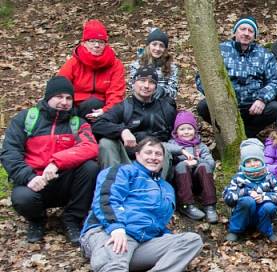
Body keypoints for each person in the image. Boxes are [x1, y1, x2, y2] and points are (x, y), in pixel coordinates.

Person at [80, 137, 203, 272]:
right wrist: (115, 226)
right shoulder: (123, 172)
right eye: (149, 152)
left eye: (158, 154)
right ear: (137, 154)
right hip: (110, 232)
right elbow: (106, 198)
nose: (153, 157)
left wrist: (166, 238)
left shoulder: (166, 187)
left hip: (143, 241)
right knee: (116, 267)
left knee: (191, 240)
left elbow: (157, 223)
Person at [1, 77, 99, 244]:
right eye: (59, 97)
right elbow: (10, 153)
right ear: (48, 97)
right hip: (35, 181)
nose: (64, 102)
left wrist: (56, 163)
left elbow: (90, 147)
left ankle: (72, 219)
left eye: (69, 98)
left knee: (90, 168)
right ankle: (37, 220)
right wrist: (29, 177)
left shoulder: (77, 123)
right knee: (22, 198)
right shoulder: (26, 119)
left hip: (65, 180)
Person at [195, 16, 277, 138]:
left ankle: (245, 135)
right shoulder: (219, 50)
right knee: (203, 106)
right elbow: (202, 78)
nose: (246, 33)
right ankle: (229, 133)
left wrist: (262, 99)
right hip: (225, 106)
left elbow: (276, 80)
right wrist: (219, 98)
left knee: (275, 108)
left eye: (250, 31)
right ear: (235, 31)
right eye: (243, 29)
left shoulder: (264, 55)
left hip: (253, 107)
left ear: (255, 36)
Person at [93, 66, 177, 179]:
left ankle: (155, 190)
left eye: (151, 82)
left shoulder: (167, 109)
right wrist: (122, 131)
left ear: (156, 87)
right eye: (142, 80)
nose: (146, 86)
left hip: (156, 158)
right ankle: (113, 186)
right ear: (134, 83)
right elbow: (98, 125)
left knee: (162, 148)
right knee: (106, 143)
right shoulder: (123, 107)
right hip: (126, 157)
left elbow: (180, 133)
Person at [58, 19, 125, 121]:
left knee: (96, 104)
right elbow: (59, 87)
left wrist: (105, 111)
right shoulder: (73, 63)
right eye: (92, 41)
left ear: (105, 44)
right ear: (84, 43)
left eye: (101, 42)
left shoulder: (115, 65)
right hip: (74, 107)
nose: (97, 45)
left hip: (102, 109)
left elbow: (116, 94)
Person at [222, 139, 277, 243]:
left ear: (261, 161)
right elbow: (228, 198)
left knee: (269, 206)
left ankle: (267, 231)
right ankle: (235, 231)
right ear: (243, 163)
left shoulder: (270, 177)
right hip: (243, 214)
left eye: (255, 160)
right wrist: (246, 192)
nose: (252, 164)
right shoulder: (239, 177)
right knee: (247, 201)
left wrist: (263, 197)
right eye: (248, 161)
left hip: (262, 215)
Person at [165, 111, 217, 223]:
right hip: (180, 182)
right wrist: (182, 156)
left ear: (195, 130)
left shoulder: (200, 146)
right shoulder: (172, 144)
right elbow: (162, 147)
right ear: (176, 131)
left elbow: (211, 163)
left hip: (198, 182)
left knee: (204, 165)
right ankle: (186, 205)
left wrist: (196, 161)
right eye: (182, 129)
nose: (186, 132)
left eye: (189, 129)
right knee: (182, 165)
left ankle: (210, 206)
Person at [127, 28, 179, 102]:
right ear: (148, 46)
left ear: (165, 49)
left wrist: (163, 91)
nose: (157, 48)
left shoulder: (172, 67)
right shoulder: (136, 65)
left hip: (162, 102)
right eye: (154, 44)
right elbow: (132, 87)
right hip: (141, 100)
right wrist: (147, 91)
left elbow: (174, 92)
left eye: (161, 46)